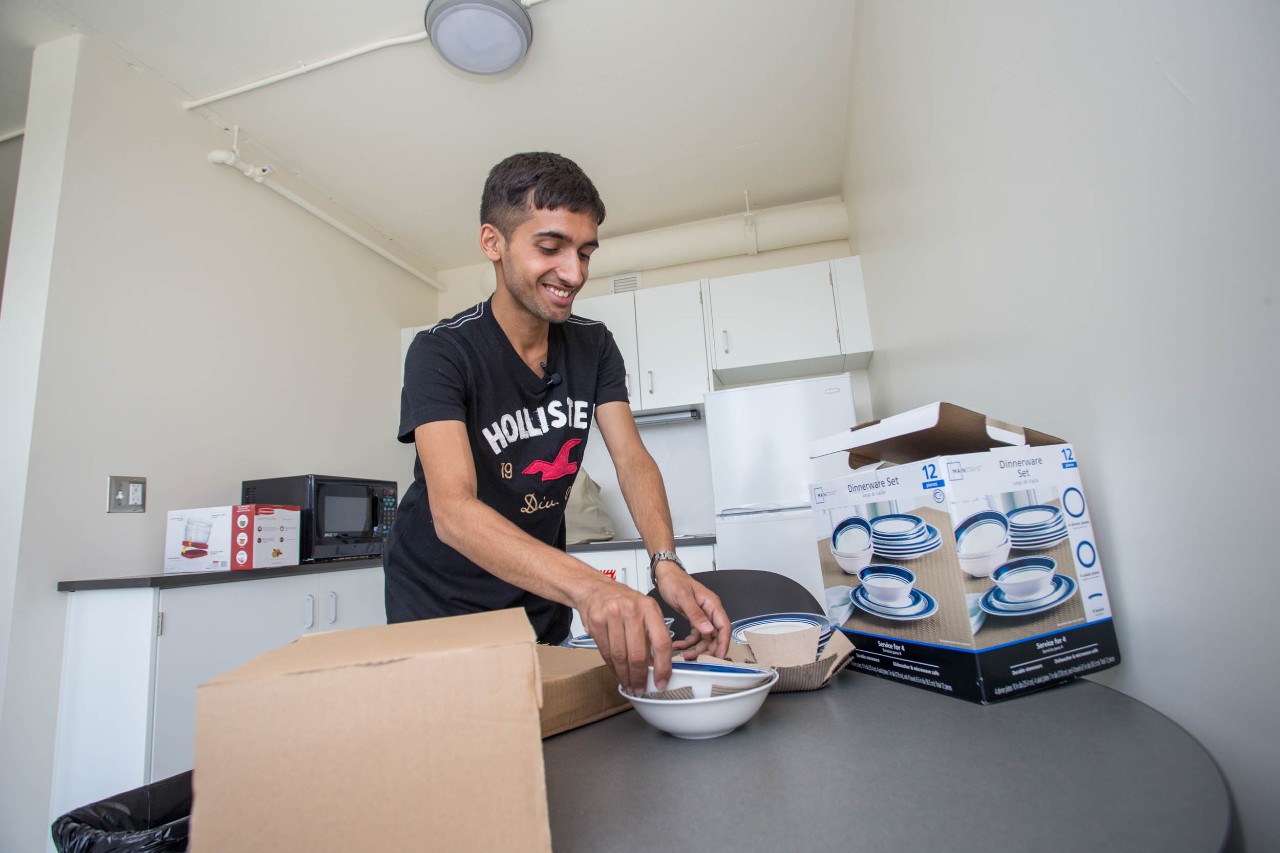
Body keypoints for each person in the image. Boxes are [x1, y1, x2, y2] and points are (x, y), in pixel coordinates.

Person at [385, 151, 730, 693]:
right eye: (550, 248)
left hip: (538, 594)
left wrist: (666, 563)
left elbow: (632, 459)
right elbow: (452, 511)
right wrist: (591, 587)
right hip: (440, 599)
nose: (574, 273)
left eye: (585, 252)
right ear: (493, 243)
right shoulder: (441, 352)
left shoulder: (593, 346)